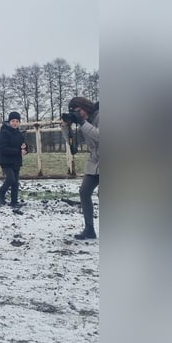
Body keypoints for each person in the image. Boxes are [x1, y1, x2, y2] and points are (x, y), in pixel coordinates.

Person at [62, 96, 99, 240]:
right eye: (75, 112)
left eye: (79, 111)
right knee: (84, 192)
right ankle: (89, 229)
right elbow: (74, 143)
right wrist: (66, 126)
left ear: (85, 107)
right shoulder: (83, 123)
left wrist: (82, 122)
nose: (79, 114)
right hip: (95, 162)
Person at [0, 111, 28, 214]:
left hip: (16, 161)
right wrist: (18, 151)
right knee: (10, 179)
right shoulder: (4, 132)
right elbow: (2, 148)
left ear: (19, 122)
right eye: (13, 121)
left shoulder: (19, 133)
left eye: (17, 121)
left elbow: (24, 146)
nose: (15, 123)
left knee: (15, 183)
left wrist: (25, 149)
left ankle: (14, 202)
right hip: (5, 161)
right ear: (9, 121)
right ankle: (1, 194)